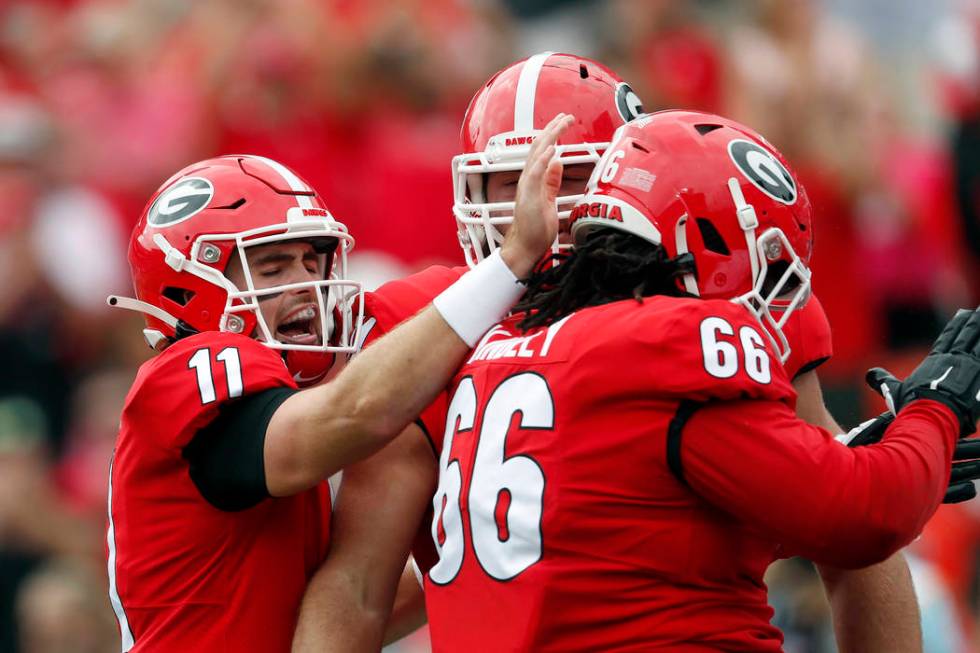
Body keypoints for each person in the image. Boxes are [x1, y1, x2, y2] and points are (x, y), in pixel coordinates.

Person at [293, 55, 933, 652]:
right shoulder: (427, 332)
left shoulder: (721, 295)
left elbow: (850, 543)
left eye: (568, 176)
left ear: (631, 175)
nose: (535, 207)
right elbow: (368, 585)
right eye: (503, 185)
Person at [434, 110, 971, 650]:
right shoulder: (674, 338)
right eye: (771, 263)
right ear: (709, 240)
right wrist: (935, 409)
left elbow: (636, 519)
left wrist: (825, 462)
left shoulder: (491, 348)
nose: (779, 297)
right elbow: (866, 517)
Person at [104, 142, 568, 653]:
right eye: (274, 268)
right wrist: (509, 264)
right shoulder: (185, 372)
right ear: (189, 288)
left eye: (309, 262)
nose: (306, 284)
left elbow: (347, 602)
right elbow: (353, 413)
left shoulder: (279, 394)